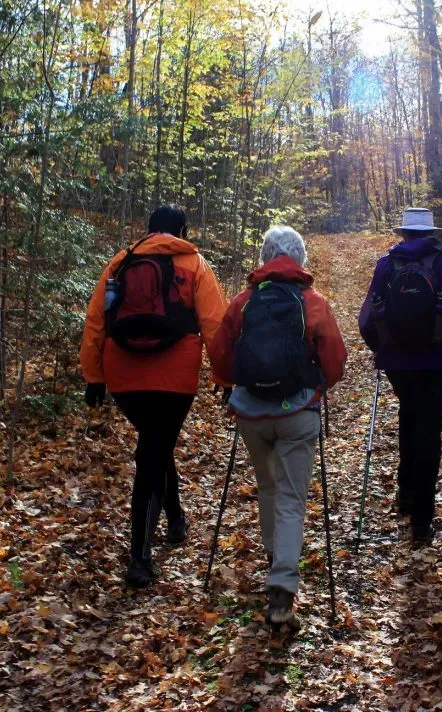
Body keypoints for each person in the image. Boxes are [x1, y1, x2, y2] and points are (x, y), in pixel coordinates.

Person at [80, 204, 227, 588]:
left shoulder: (119, 263)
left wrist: (94, 375)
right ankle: (139, 557)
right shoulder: (193, 264)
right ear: (180, 230)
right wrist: (226, 375)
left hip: (123, 376)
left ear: (148, 230)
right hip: (174, 378)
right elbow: (215, 324)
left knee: (155, 445)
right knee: (153, 453)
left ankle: (175, 519)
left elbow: (96, 321)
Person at [208, 226, 347, 628]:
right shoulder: (312, 302)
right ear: (300, 258)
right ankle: (282, 588)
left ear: (265, 257)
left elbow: (219, 357)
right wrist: (314, 385)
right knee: (291, 496)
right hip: (298, 412)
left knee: (268, 487)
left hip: (252, 414)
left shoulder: (244, 302)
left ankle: (275, 556)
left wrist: (241, 383)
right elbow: (335, 361)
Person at [358, 208, 442, 547]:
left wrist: (379, 349)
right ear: (431, 233)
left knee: (409, 418)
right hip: (436, 360)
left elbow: (367, 318)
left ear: (404, 234)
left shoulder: (386, 265)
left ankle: (406, 494)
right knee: (429, 431)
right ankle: (422, 520)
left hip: (397, 362)